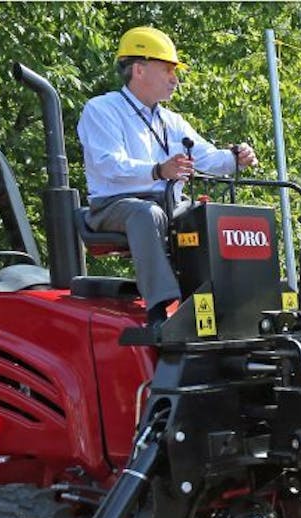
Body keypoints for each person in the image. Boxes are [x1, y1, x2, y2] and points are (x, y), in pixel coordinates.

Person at [79, 26, 258, 327]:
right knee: (146, 214)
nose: (175, 79)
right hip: (115, 205)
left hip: (168, 203)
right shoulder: (102, 109)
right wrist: (158, 170)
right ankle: (160, 311)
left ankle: (223, 305)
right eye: (168, 70)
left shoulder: (171, 120)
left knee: (209, 215)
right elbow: (109, 165)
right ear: (139, 69)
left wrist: (237, 158)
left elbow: (208, 157)